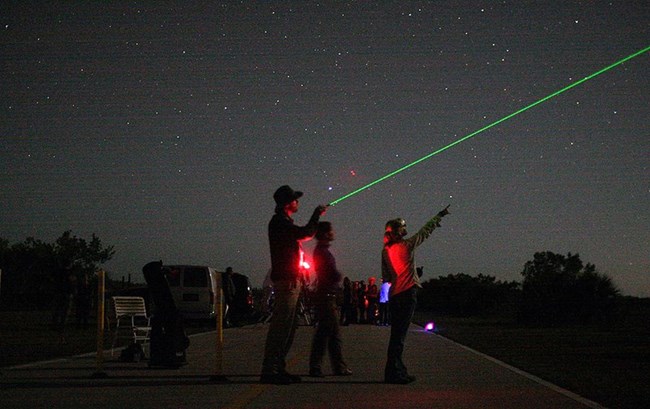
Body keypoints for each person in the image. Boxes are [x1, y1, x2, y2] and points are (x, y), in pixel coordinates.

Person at [260, 185, 327, 385]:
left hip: (292, 281)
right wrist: (316, 214)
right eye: (295, 199)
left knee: (289, 327)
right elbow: (306, 233)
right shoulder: (279, 222)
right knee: (281, 327)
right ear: (287, 203)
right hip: (287, 282)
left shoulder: (283, 222)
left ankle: (278, 367)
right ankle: (270, 370)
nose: (298, 202)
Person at [381, 205, 450, 384]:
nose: (405, 229)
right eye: (403, 227)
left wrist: (408, 272)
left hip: (395, 294)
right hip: (406, 293)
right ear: (397, 231)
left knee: (396, 335)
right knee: (400, 337)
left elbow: (387, 276)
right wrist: (439, 216)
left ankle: (397, 370)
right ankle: (394, 373)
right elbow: (424, 232)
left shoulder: (386, 250)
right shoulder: (406, 245)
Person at [308, 221, 352, 377]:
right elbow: (329, 273)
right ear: (326, 233)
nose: (333, 233)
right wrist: (337, 275)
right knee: (330, 334)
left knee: (328, 334)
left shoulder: (323, 251)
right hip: (326, 297)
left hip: (326, 296)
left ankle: (332, 366)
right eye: (331, 231)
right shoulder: (322, 252)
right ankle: (321, 366)